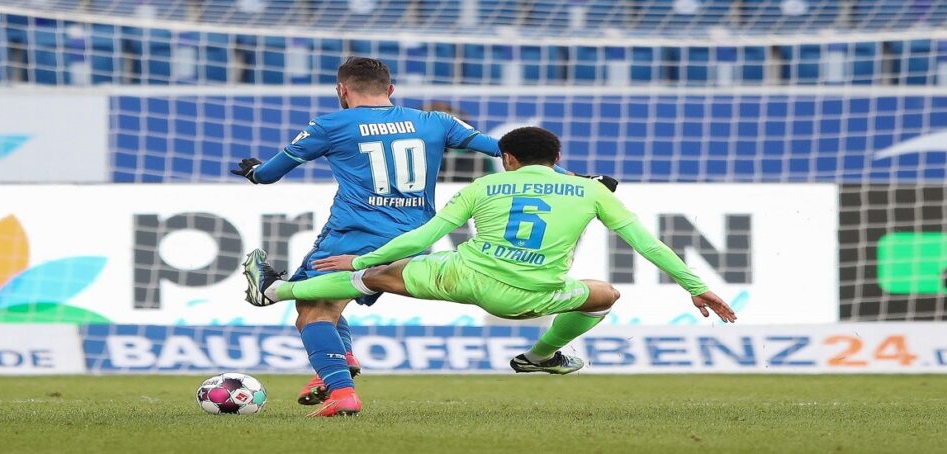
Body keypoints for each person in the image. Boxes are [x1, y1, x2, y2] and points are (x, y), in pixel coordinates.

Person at [245, 126, 737, 417]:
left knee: (378, 277)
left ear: (508, 159)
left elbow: (421, 237)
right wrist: (697, 288)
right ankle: (540, 356)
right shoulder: (593, 191)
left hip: (461, 275)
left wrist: (362, 260)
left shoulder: (484, 186)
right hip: (532, 296)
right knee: (604, 294)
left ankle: (278, 289)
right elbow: (648, 244)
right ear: (558, 160)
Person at [231, 57, 555, 412]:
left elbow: (269, 174)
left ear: (342, 90)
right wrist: (574, 178)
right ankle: (340, 362)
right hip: (413, 239)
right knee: (328, 301)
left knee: (312, 310)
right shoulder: (436, 121)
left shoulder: (329, 125)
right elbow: (515, 154)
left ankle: (341, 392)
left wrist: (255, 171)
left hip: (356, 233)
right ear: (390, 89)